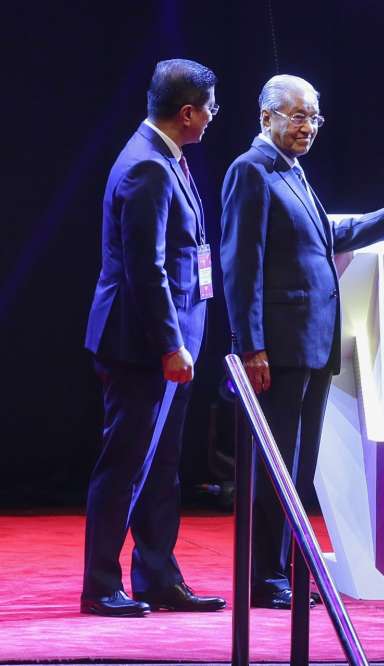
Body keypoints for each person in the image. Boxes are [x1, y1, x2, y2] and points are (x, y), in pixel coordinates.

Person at [220, 74, 384, 609]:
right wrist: (251, 345)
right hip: (278, 351)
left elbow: (327, 237)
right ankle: (266, 577)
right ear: (265, 116)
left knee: (299, 468)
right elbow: (240, 265)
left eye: (314, 117)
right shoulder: (251, 172)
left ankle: (284, 569)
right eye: (297, 116)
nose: (307, 126)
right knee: (278, 467)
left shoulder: (294, 173)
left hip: (313, 346)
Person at [81, 59, 226, 617]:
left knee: (162, 466)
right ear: (187, 112)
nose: (213, 117)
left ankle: (158, 577)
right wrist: (171, 344)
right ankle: (99, 585)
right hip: (139, 345)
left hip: (171, 341)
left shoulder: (167, 157)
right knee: (125, 465)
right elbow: (148, 270)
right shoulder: (147, 167)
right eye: (210, 107)